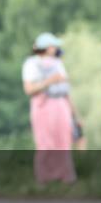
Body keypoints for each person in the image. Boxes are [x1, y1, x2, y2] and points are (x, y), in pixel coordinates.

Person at [22, 32, 76, 185]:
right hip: (43, 105)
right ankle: (45, 180)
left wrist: (74, 114)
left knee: (63, 142)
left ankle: (65, 179)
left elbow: (65, 90)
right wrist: (50, 81)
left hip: (61, 105)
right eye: (53, 46)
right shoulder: (31, 64)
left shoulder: (58, 63)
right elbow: (29, 89)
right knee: (45, 143)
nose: (56, 49)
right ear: (46, 47)